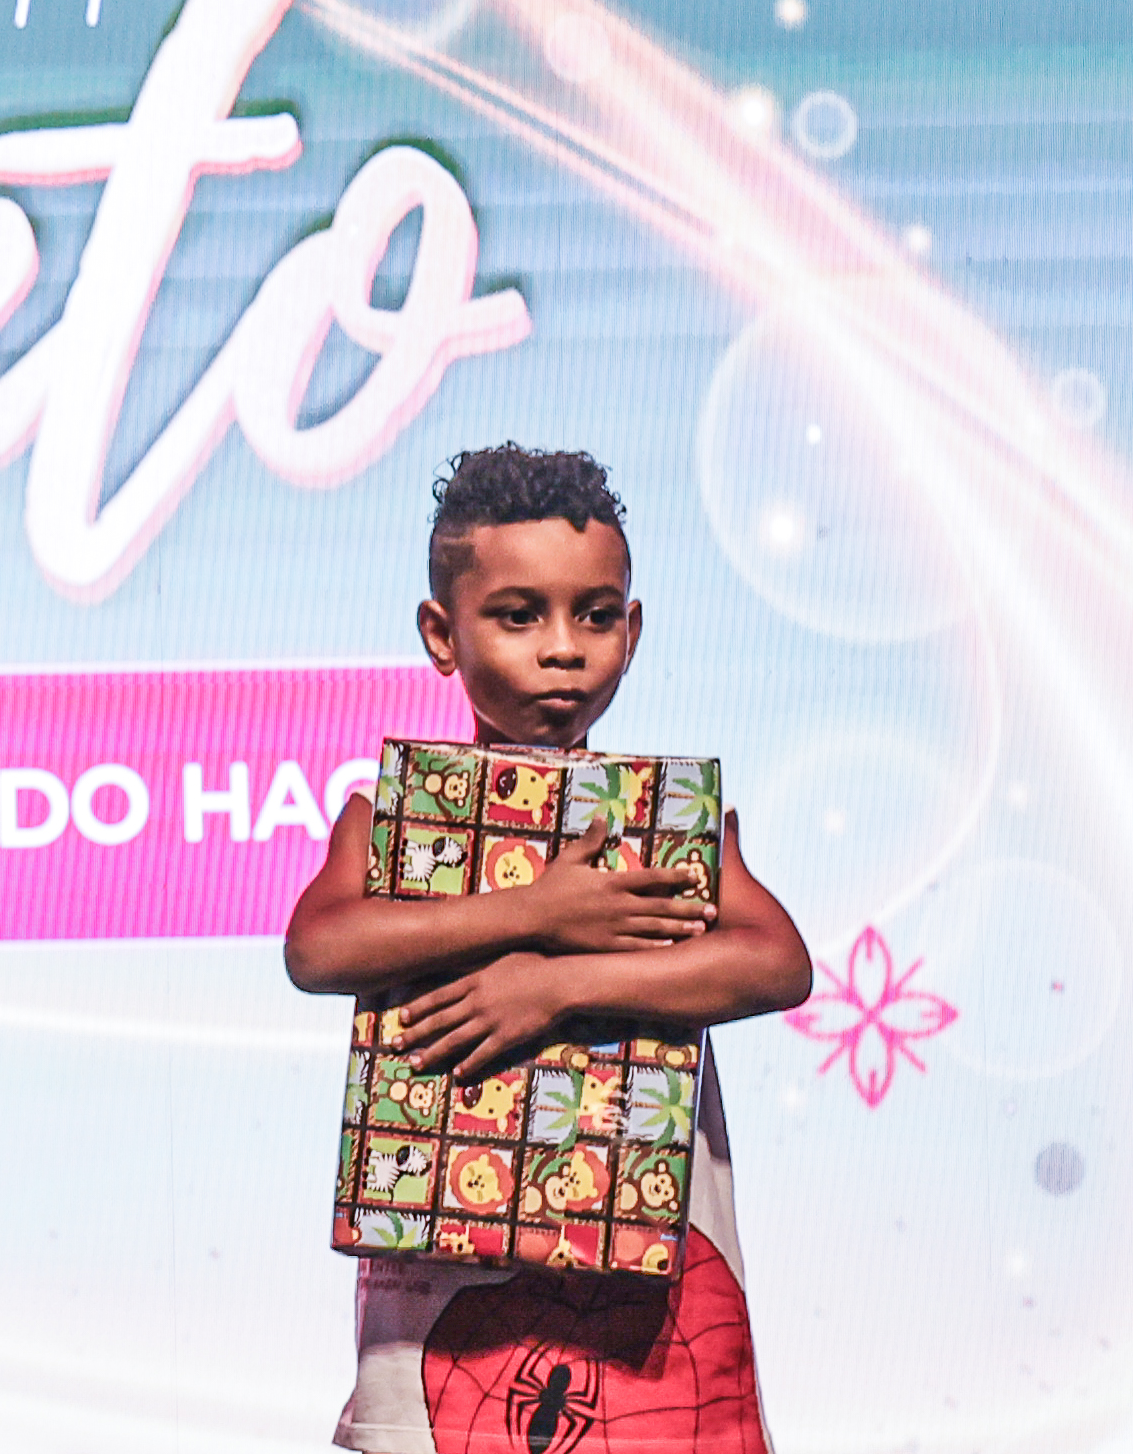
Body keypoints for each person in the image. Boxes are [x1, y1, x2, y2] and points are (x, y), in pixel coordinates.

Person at [285, 445, 812, 1452]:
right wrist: (534, 909)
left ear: (632, 630)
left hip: (646, 1292)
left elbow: (774, 961)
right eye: (519, 614)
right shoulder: (394, 819)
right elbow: (318, 946)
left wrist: (554, 987)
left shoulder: (665, 822)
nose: (562, 649)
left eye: (595, 615)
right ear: (441, 634)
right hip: (444, 1274)